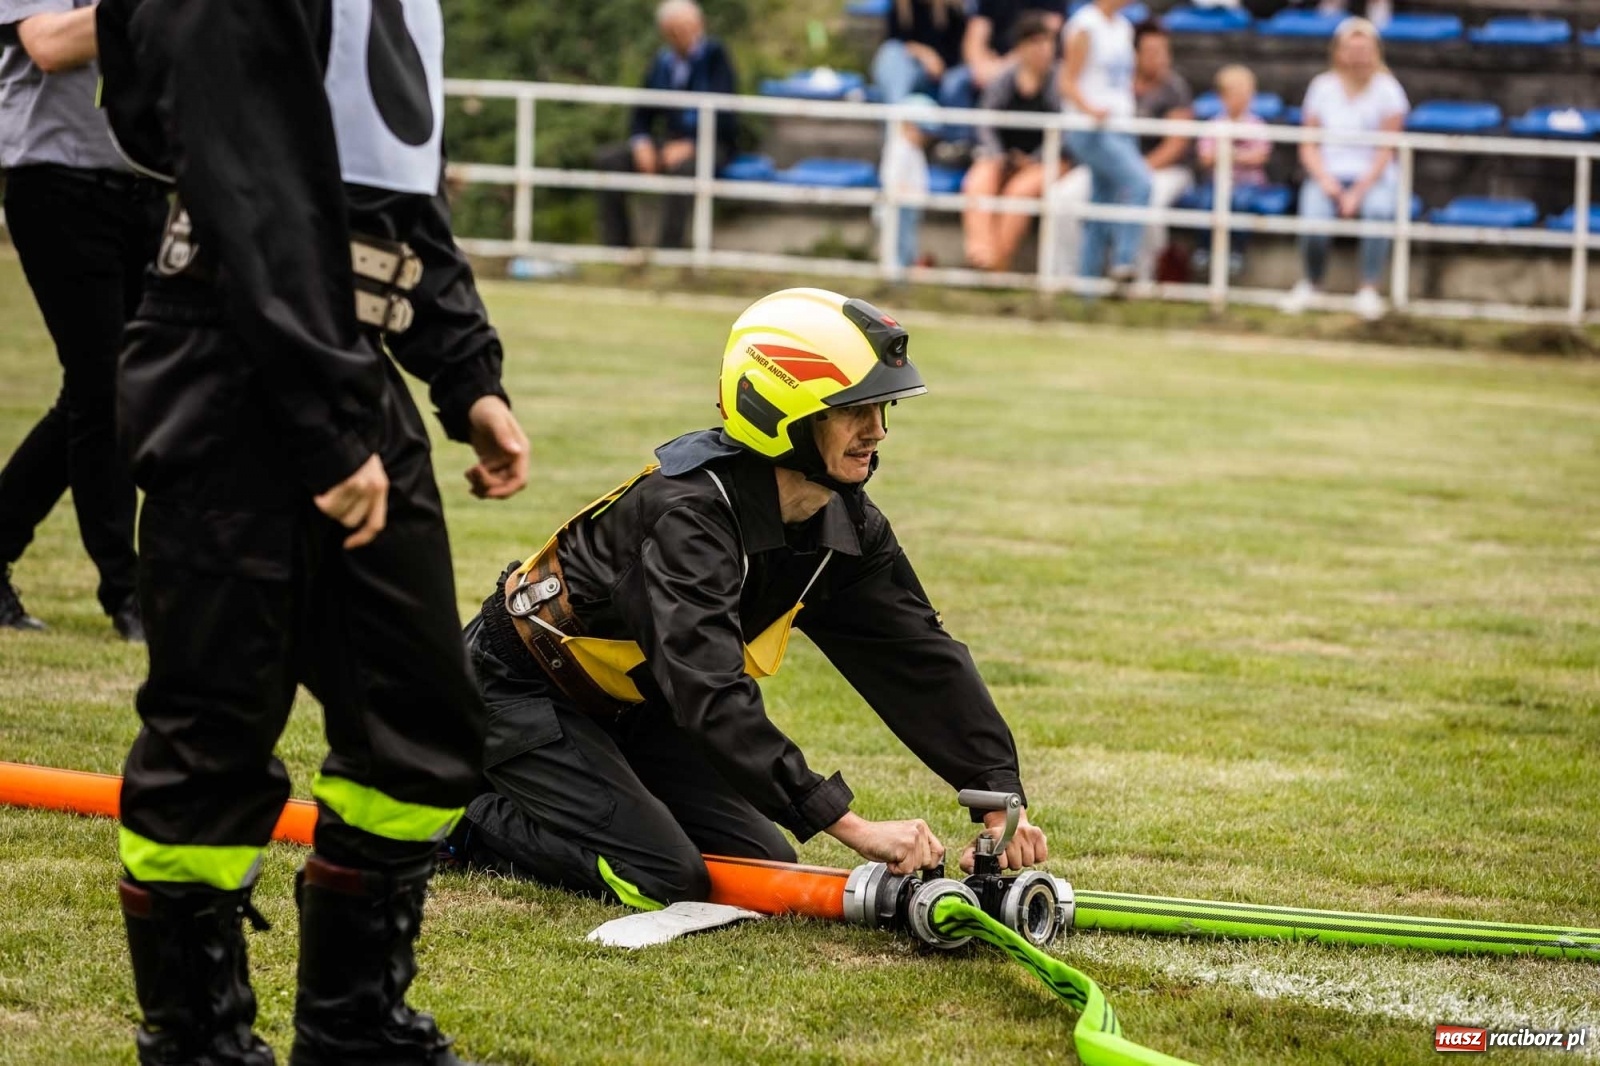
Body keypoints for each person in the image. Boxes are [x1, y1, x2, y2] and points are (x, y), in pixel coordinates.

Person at [96, 0, 532, 1062]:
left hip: (336, 365)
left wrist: (465, 369)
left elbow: (388, 193)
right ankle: (197, 1041)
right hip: (234, 370)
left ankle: (354, 1028)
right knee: (213, 732)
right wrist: (330, 428)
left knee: (420, 720)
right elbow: (246, 181)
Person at [445, 288, 1048, 908]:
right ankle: (456, 814)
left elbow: (919, 656)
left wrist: (997, 796)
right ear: (782, 412)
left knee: (764, 861)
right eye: (854, 411)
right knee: (662, 877)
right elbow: (709, 693)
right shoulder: (688, 518)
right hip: (517, 693)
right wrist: (852, 828)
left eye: (883, 407)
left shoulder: (844, 522)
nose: (877, 432)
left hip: (636, 707)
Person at [0, 0, 167, 640]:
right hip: (56, 183)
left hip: (146, 186)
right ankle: (126, 593)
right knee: (105, 393)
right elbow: (45, 43)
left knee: (106, 395)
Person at [1279, 16, 1408, 320]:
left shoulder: (1389, 89)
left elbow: (1387, 149)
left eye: (1365, 49)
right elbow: (1308, 144)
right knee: (1312, 219)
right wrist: (1327, 182)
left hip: (1375, 178)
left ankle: (1368, 289)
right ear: (1339, 52)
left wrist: (1358, 191)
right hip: (1328, 175)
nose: (1359, 56)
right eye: (1352, 49)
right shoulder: (1321, 87)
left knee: (1378, 211)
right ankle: (1312, 284)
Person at [1049, 18, 1193, 279]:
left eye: (1164, 51)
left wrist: (1133, 170)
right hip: (1110, 163)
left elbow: (1176, 144)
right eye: (1152, 52)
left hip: (1161, 170)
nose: (1160, 58)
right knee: (1063, 198)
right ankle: (1066, 278)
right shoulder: (1114, 85)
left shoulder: (1175, 88)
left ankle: (1141, 280)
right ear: (1133, 54)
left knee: (1148, 199)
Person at [595, 0, 737, 249]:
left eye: (687, 27)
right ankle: (617, 248)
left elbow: (726, 115)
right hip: (669, 142)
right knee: (609, 160)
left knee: (682, 170)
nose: (682, 35)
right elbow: (642, 112)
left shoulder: (716, 57)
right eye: (675, 30)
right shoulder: (662, 63)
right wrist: (641, 142)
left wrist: (691, 144)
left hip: (713, 144)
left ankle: (669, 252)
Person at [961, 11, 1065, 272]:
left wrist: (1035, 159)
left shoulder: (1059, 81)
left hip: (1047, 159)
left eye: (1047, 43)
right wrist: (997, 155)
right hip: (1005, 156)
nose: (1043, 50)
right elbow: (985, 121)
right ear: (1021, 47)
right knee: (978, 180)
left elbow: (1065, 131)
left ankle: (998, 263)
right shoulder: (1004, 79)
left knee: (1020, 191)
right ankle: (980, 254)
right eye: (1036, 43)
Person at [1058, 0, 1149, 286]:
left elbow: (1119, 79)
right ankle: (1123, 260)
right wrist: (1089, 109)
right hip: (1093, 128)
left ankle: (1087, 287)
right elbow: (1067, 80)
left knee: (1101, 205)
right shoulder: (1085, 26)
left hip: (1120, 124)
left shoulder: (1123, 27)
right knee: (1140, 183)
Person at [1195, 64, 1272, 278]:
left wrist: (1229, 155)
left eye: (1244, 93)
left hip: (1248, 184)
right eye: (1233, 94)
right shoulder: (1214, 125)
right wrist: (1233, 156)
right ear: (1222, 96)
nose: (1239, 99)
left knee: (1241, 204)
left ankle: (1237, 252)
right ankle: (1204, 248)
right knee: (1205, 203)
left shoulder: (1257, 125)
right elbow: (1205, 157)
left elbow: (1261, 156)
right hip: (1216, 182)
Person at [953, 0, 1067, 109]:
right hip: (992, 64)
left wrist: (1003, 67)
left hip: (1028, 62)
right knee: (956, 83)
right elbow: (974, 38)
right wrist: (981, 66)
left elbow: (1043, 38)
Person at [878, 93, 939, 273]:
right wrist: (904, 192)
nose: (923, 137)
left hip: (910, 205)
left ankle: (906, 272)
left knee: (908, 242)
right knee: (895, 242)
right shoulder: (899, 149)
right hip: (898, 206)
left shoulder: (913, 149)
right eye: (921, 131)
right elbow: (891, 178)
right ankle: (893, 275)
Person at [870, 0, 968, 106]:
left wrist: (938, 65)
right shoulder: (900, 8)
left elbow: (955, 55)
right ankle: (898, 113)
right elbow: (895, 42)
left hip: (940, 78)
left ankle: (898, 114)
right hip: (909, 72)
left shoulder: (952, 11)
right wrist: (925, 54)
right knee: (892, 55)